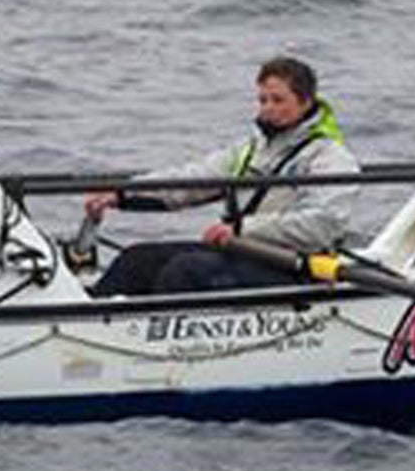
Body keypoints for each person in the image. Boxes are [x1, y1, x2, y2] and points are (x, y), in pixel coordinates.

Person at [84, 56, 360, 296]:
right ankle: (88, 329)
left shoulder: (329, 157)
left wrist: (242, 229)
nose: (267, 108)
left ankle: (162, 349)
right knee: (137, 259)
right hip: (240, 254)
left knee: (185, 272)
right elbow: (193, 179)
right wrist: (121, 194)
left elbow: (323, 223)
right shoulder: (250, 149)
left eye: (278, 100)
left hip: (294, 266)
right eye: (262, 99)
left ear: (306, 102)